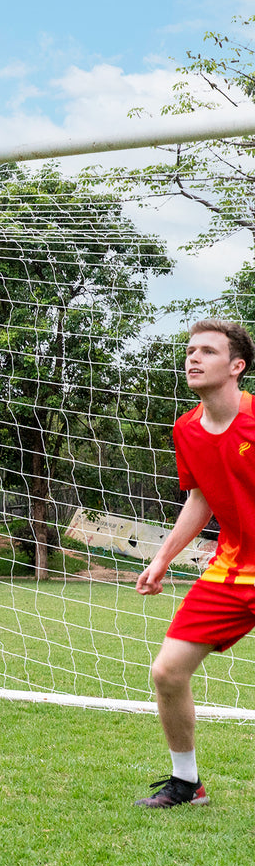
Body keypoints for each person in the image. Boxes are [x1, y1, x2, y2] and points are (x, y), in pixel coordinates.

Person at [135, 319, 255, 808]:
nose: (193, 358)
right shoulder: (186, 428)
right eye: (190, 350)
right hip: (232, 570)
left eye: (207, 350)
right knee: (168, 672)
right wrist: (163, 558)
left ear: (236, 366)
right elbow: (200, 497)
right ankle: (187, 784)